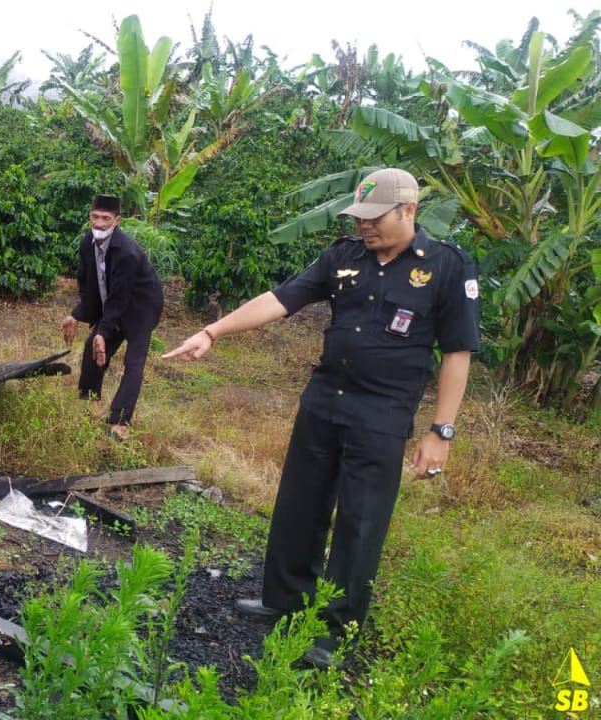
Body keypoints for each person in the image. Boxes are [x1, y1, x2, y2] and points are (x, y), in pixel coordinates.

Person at [162, 168, 480, 669]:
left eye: (375, 219)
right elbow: (281, 299)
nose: (365, 227)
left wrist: (441, 431)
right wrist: (212, 332)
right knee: (299, 505)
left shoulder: (445, 266)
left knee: (360, 523)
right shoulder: (343, 256)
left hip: (382, 414)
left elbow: (458, 352)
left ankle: (334, 631)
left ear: (409, 211)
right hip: (324, 401)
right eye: (360, 218)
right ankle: (285, 600)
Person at [60, 194, 164, 439]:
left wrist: (103, 332)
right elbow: (88, 285)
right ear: (89, 217)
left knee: (133, 363)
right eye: (95, 217)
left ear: (117, 221)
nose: (99, 223)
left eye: (106, 219)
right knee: (91, 347)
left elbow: (120, 297)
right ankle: (90, 400)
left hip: (141, 307)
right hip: (114, 302)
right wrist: (77, 316)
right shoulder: (87, 242)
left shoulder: (127, 252)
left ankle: (120, 422)